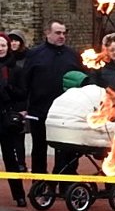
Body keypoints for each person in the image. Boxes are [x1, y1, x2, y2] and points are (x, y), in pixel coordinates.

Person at [21, 20, 82, 176]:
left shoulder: (73, 56)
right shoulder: (34, 54)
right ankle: (40, 184)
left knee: (65, 150)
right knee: (39, 149)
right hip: (39, 110)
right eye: (58, 33)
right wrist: (23, 107)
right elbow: (25, 82)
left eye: (64, 33)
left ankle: (63, 182)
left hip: (65, 113)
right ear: (47, 33)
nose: (62, 36)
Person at [0, 33, 27, 206]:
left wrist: (8, 89)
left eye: (3, 45)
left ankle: (19, 195)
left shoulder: (15, 69)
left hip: (6, 117)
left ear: (8, 47)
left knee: (11, 158)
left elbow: (22, 93)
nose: (0, 48)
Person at [7, 29, 29, 173]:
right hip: (7, 102)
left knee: (18, 136)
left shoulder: (26, 59)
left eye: (16, 40)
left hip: (20, 101)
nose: (14, 43)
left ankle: (21, 163)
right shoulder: (7, 59)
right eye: (11, 41)